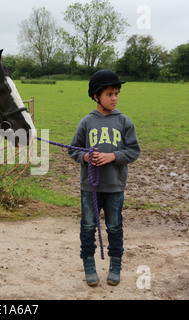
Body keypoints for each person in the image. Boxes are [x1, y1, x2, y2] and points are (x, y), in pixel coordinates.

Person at [68, 70, 141, 286]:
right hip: (89, 186)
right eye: (109, 94)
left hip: (115, 186)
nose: (115, 98)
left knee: (115, 226)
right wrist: (85, 156)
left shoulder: (124, 122)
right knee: (88, 226)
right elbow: (73, 150)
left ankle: (115, 265)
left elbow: (133, 151)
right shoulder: (86, 122)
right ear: (96, 96)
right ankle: (88, 264)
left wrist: (113, 156)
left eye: (117, 93)